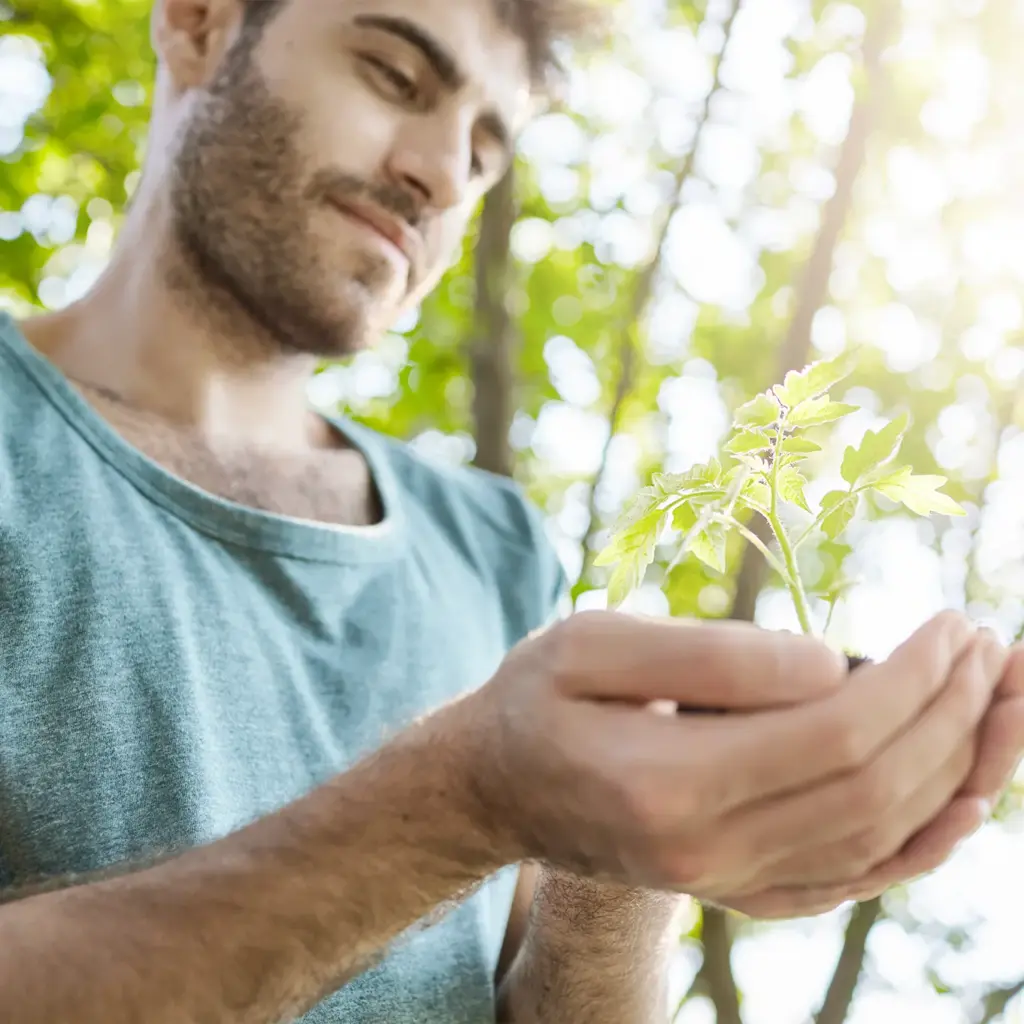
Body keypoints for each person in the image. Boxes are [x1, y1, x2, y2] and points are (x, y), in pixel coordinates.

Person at [2, 0, 1023, 1020]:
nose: (444, 175)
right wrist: (461, 801)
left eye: (486, 152)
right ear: (197, 24)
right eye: (394, 76)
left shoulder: (493, 549)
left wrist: (620, 862)